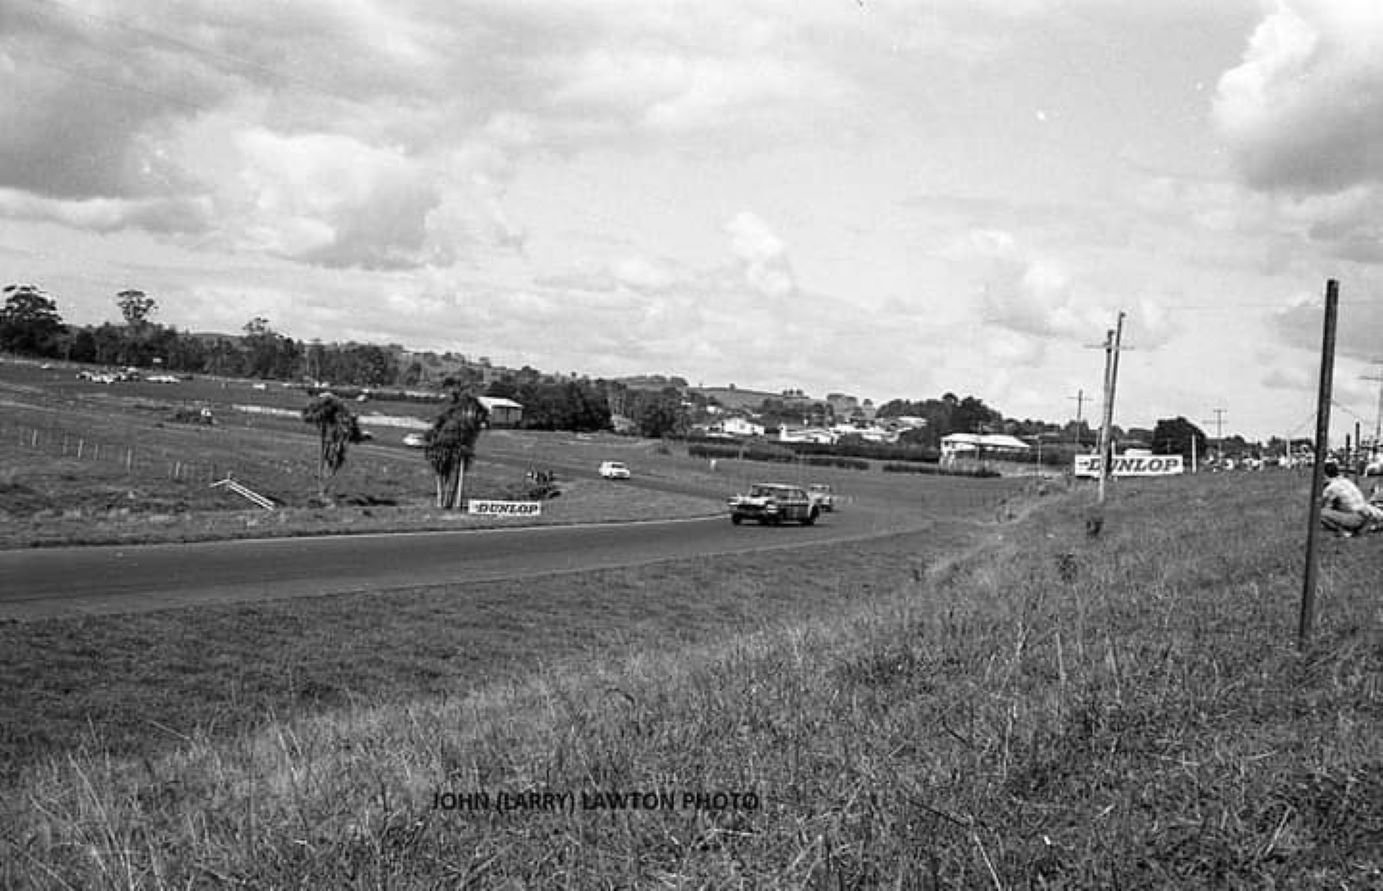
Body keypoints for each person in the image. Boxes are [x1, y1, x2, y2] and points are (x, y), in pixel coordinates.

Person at [1320, 460, 1377, 537]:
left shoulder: (1331, 487)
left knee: (1320, 513)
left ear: (1325, 475)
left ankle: (1346, 532)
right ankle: (1360, 527)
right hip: (1366, 513)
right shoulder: (1346, 480)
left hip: (1355, 517)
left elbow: (1322, 506)